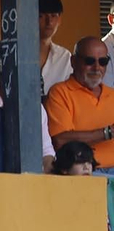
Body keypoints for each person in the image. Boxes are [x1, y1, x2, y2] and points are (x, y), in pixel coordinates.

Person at [47, 38, 114, 168]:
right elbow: (61, 141)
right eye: (89, 61)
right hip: (85, 175)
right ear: (73, 62)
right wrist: (107, 133)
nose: (97, 67)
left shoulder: (112, 94)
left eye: (103, 61)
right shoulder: (60, 93)